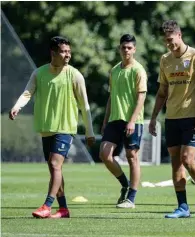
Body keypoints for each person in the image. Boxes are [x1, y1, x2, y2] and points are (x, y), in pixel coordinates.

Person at [9, 36, 95, 218]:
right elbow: (27, 92)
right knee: (54, 168)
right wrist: (17, 106)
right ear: (53, 53)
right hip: (46, 127)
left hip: (65, 128)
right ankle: (63, 209)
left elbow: (85, 105)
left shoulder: (75, 75)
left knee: (55, 164)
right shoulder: (39, 73)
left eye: (69, 52)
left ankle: (47, 205)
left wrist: (89, 132)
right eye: (63, 52)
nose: (67, 55)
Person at [149, 20, 195, 218]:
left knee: (187, 159)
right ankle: (183, 207)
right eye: (166, 41)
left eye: (171, 40)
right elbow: (162, 92)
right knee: (176, 163)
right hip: (172, 118)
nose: (169, 44)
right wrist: (153, 118)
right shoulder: (165, 59)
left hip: (192, 117)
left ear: (179, 35)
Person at [99, 34, 147, 209]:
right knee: (104, 154)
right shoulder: (114, 70)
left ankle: (131, 198)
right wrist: (105, 120)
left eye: (129, 47)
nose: (126, 50)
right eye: (123, 47)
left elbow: (141, 99)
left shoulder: (138, 70)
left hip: (132, 121)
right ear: (119, 49)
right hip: (114, 119)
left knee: (132, 157)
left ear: (134, 49)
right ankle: (125, 184)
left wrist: (132, 121)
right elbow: (111, 97)